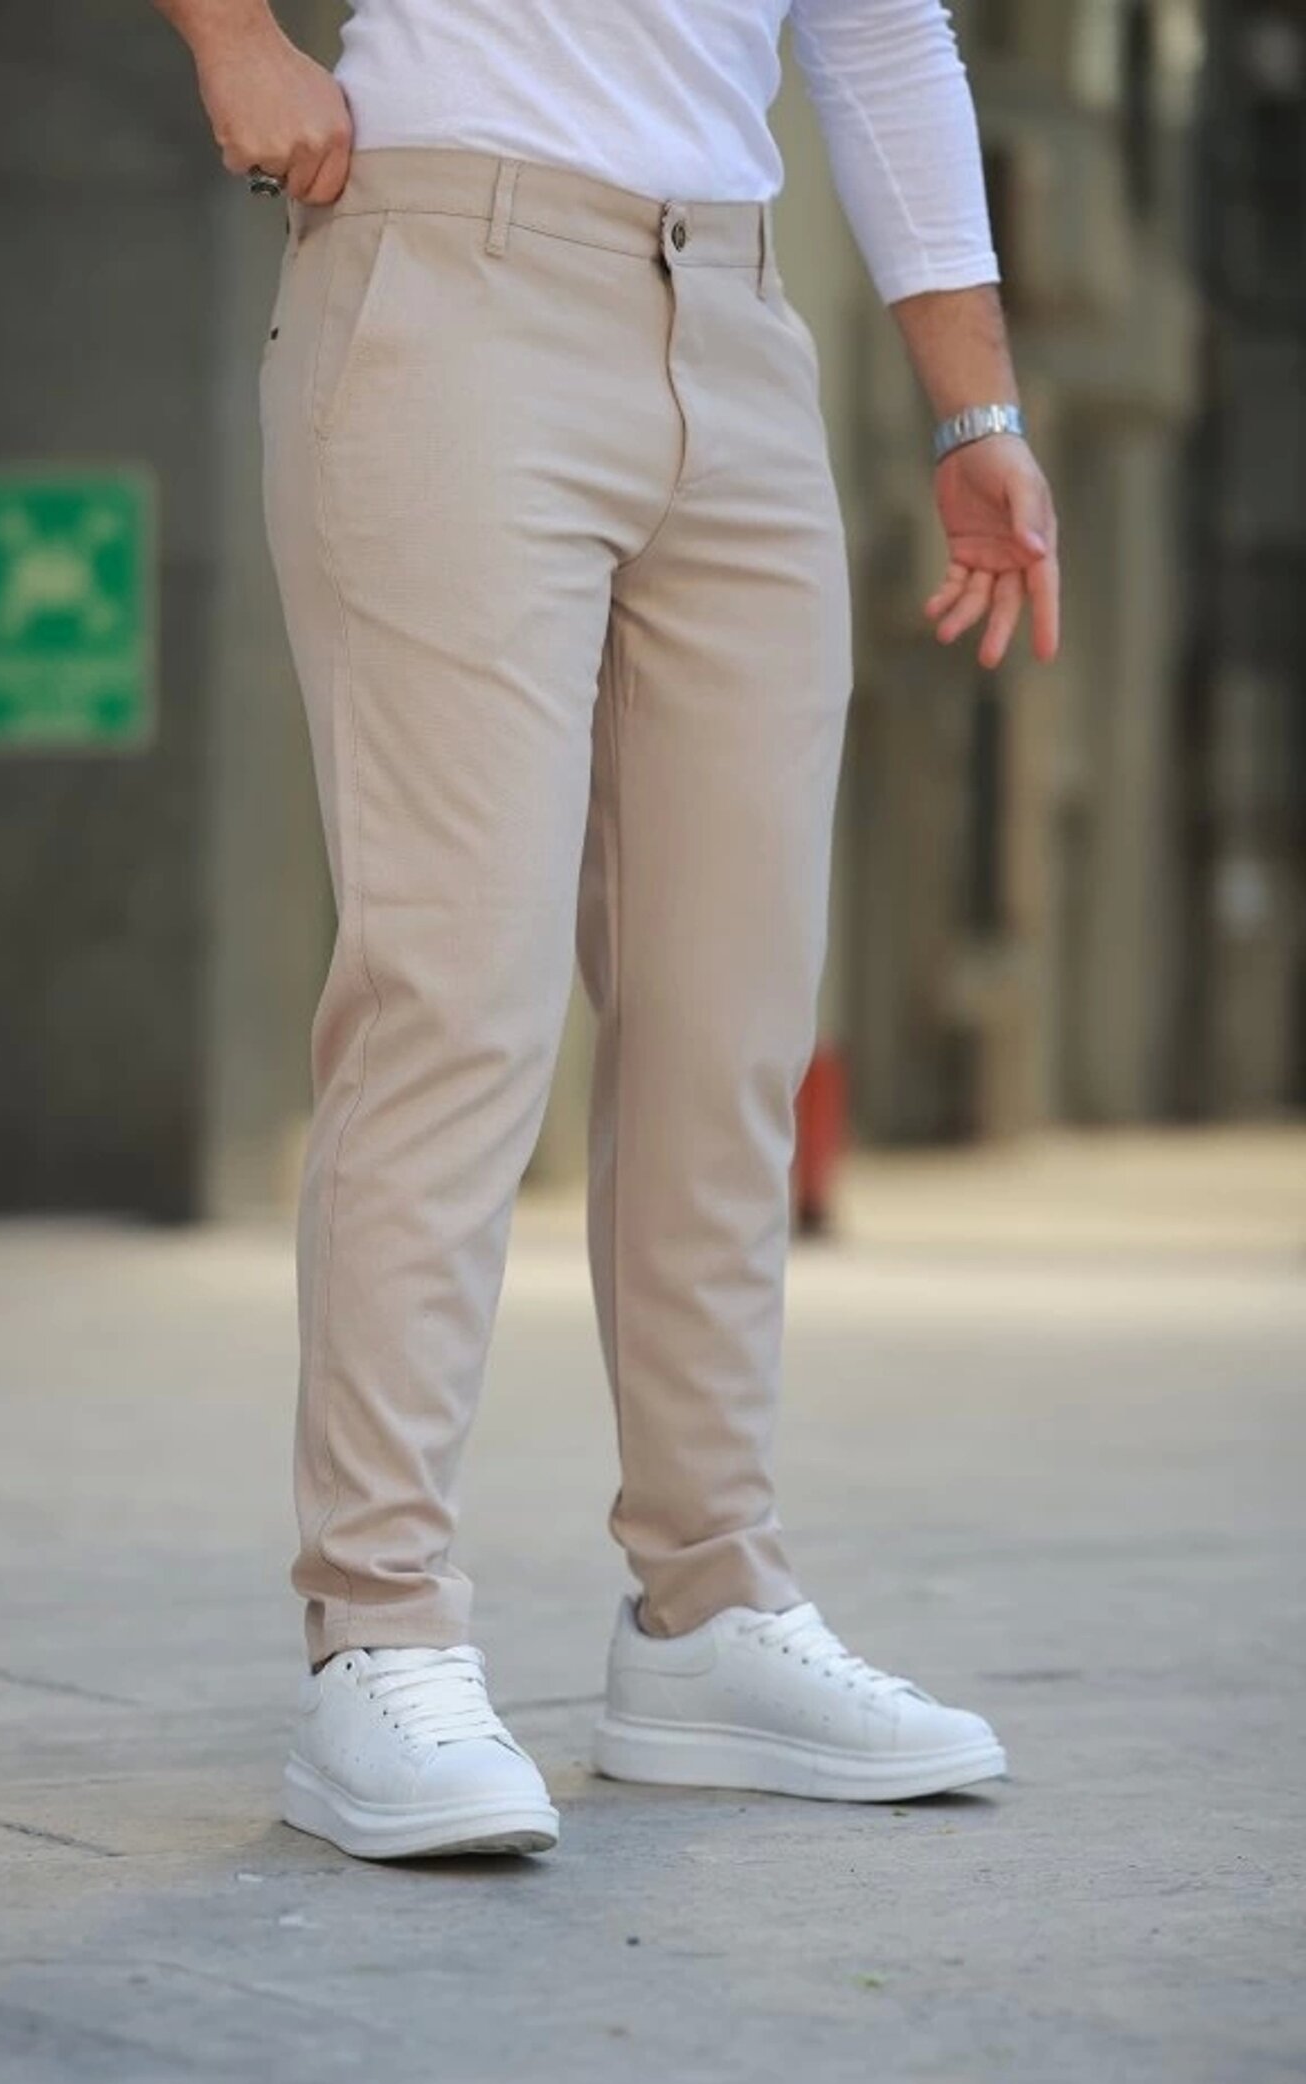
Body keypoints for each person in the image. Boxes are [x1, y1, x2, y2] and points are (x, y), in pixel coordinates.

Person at [153, 0, 1060, 1862]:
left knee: (730, 1023)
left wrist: (976, 411)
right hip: (448, 277)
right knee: (452, 995)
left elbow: (884, 36)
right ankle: (377, 1627)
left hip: (735, 322)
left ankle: (707, 1610)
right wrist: (231, 36)